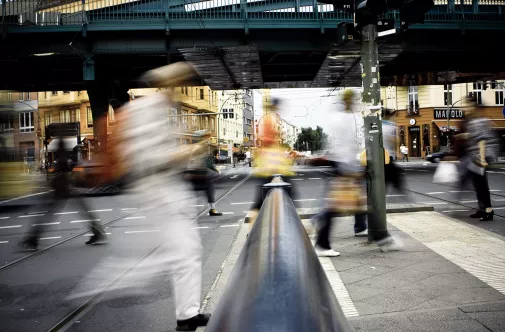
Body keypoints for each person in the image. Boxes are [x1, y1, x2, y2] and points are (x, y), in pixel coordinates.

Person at [110, 62, 211, 331]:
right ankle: (186, 317)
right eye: (177, 84)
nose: (179, 91)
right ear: (166, 84)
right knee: (181, 253)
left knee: (185, 253)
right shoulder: (144, 110)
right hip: (158, 193)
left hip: (168, 193)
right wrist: (187, 153)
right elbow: (147, 159)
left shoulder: (162, 110)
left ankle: (187, 315)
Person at [21, 137, 106, 249]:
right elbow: (66, 172)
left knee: (48, 214)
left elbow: (60, 174)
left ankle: (34, 238)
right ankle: (97, 233)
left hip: (61, 190)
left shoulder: (60, 158)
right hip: (66, 189)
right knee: (83, 210)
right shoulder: (64, 157)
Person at [459, 96, 498, 221]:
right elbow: (475, 136)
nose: (464, 108)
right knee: (477, 183)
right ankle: (483, 209)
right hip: (476, 156)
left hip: (481, 155)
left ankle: (488, 211)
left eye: (467, 106)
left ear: (473, 107)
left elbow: (481, 140)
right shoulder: (473, 120)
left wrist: (482, 159)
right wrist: (465, 135)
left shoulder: (478, 121)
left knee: (481, 184)